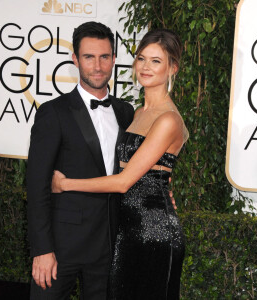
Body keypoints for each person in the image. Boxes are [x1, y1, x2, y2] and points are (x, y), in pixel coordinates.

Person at [52, 28, 189, 300]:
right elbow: (151, 170)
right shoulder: (136, 113)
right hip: (127, 230)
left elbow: (124, 180)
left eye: (156, 61)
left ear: (173, 68)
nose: (145, 67)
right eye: (141, 59)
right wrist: (163, 186)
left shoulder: (168, 120)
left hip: (154, 232)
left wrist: (64, 183)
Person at [27, 22, 134, 299]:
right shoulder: (54, 113)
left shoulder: (125, 112)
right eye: (89, 57)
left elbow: (133, 170)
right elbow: (37, 186)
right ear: (75, 59)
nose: (97, 66)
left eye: (104, 57)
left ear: (113, 58)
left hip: (109, 243)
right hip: (61, 246)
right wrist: (42, 249)